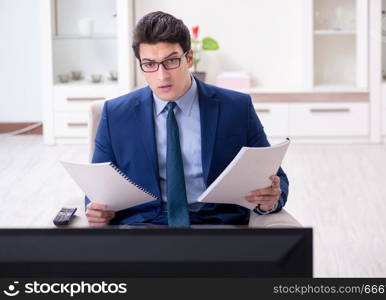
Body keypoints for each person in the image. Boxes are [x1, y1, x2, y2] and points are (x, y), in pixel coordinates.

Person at [85, 11, 289, 227]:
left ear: (189, 58)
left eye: (171, 61)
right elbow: (97, 187)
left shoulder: (236, 107)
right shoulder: (115, 114)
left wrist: (269, 201)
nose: (161, 75)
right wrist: (96, 210)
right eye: (150, 64)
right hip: (143, 227)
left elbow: (276, 179)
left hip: (216, 225)